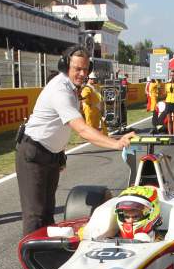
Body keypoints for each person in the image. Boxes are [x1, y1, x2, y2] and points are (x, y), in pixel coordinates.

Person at [15, 45, 134, 235]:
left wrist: (59, 155)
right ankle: (29, 262)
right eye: (77, 68)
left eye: (85, 69)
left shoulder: (73, 88)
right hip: (33, 154)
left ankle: (48, 259)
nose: (82, 73)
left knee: (47, 214)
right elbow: (82, 129)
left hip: (51, 154)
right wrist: (116, 143)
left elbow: (59, 127)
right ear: (65, 67)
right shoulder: (60, 89)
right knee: (34, 216)